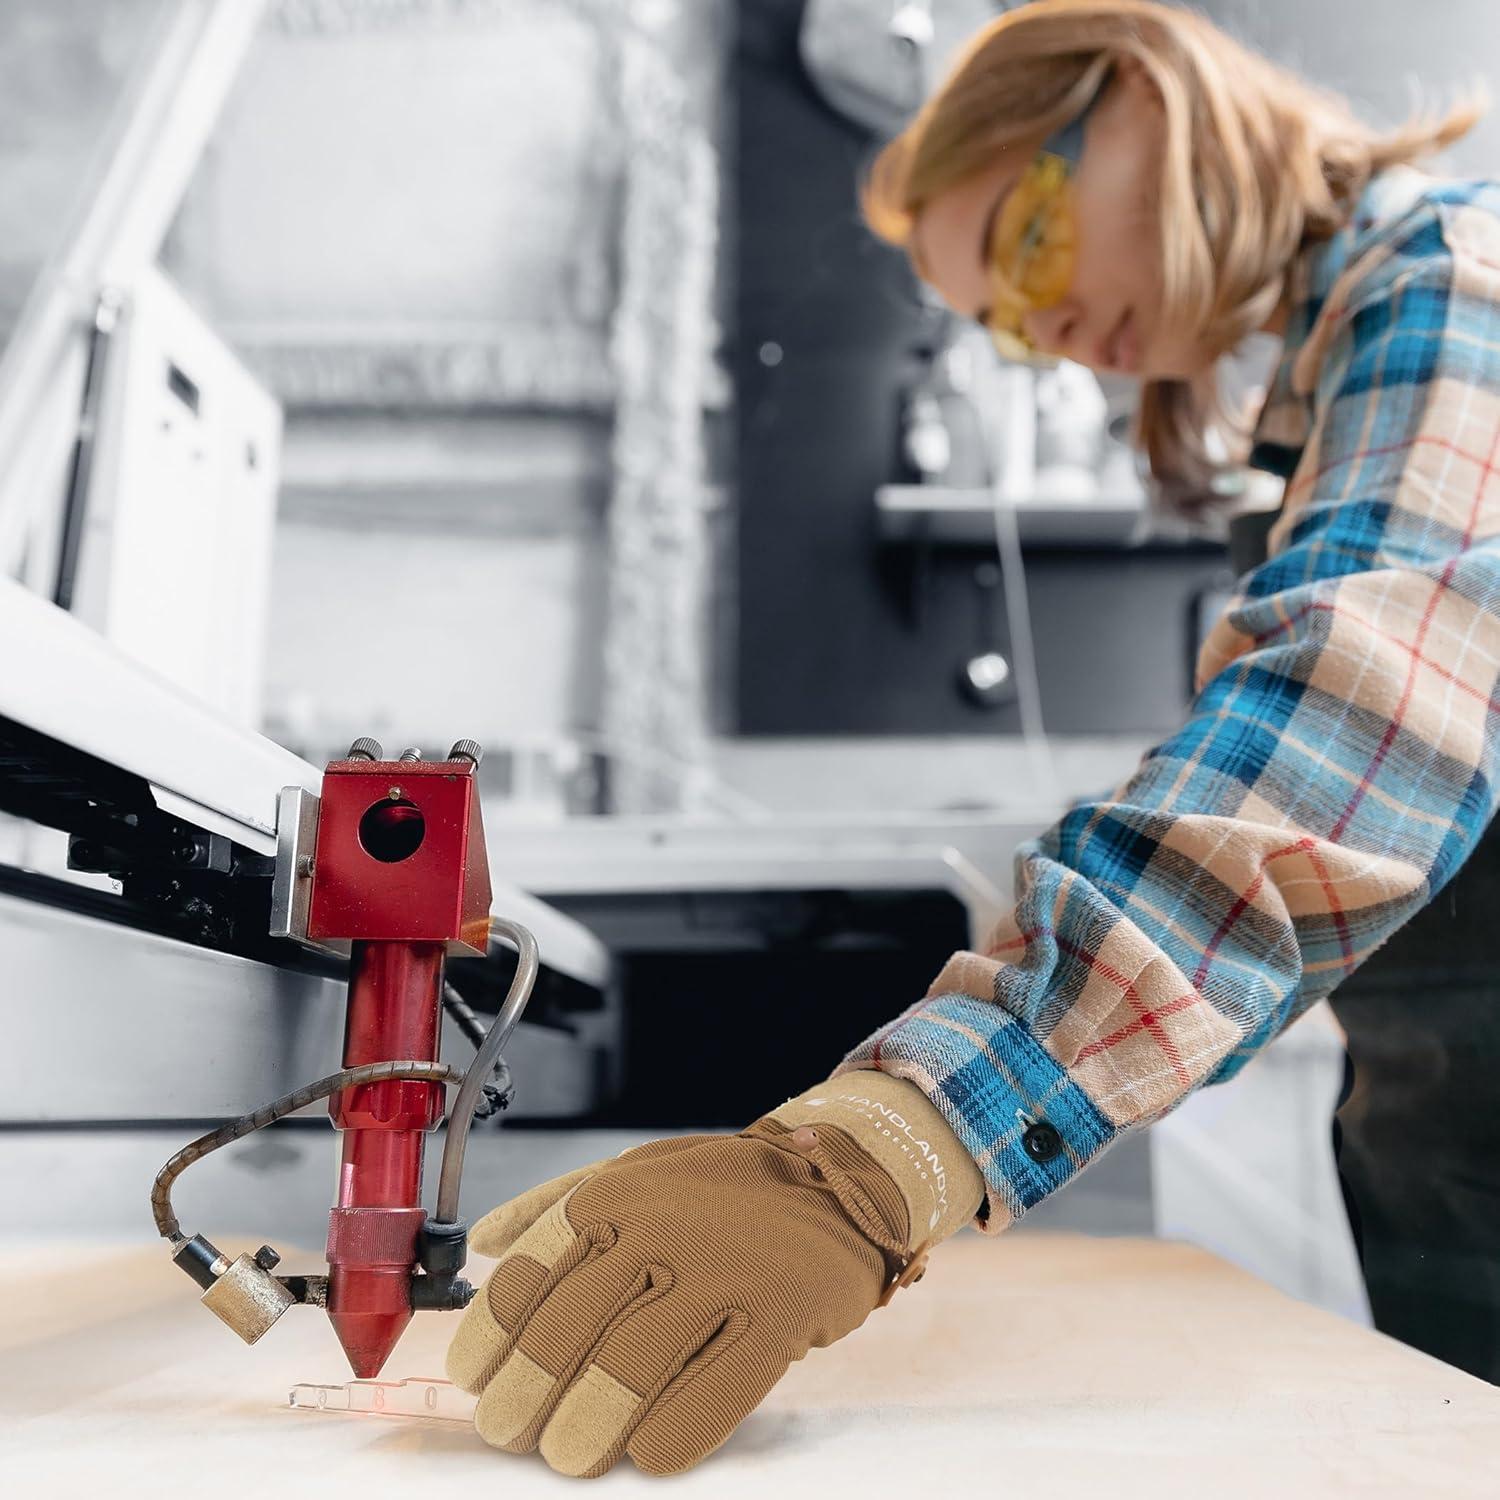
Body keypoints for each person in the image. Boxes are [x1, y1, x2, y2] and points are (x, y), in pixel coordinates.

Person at [445, 0, 1500, 1475]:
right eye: (1005, 320)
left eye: (1029, 243)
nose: (1046, 333)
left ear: (1142, 94)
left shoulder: (1456, 287)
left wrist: (878, 1157)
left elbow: (1351, 723)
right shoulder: (1337, 379)